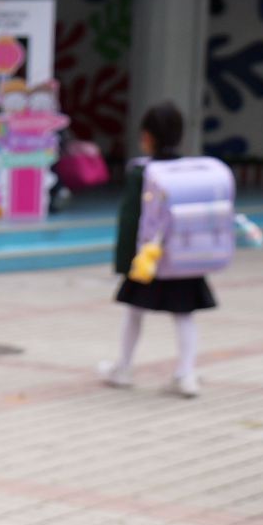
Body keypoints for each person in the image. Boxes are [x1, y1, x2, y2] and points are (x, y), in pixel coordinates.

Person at [100, 101, 209, 397]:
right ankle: (185, 374)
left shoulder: (142, 173)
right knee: (184, 315)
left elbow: (130, 220)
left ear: (146, 136)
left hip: (148, 257)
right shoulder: (189, 171)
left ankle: (123, 368)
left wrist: (125, 262)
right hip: (182, 257)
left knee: (134, 312)